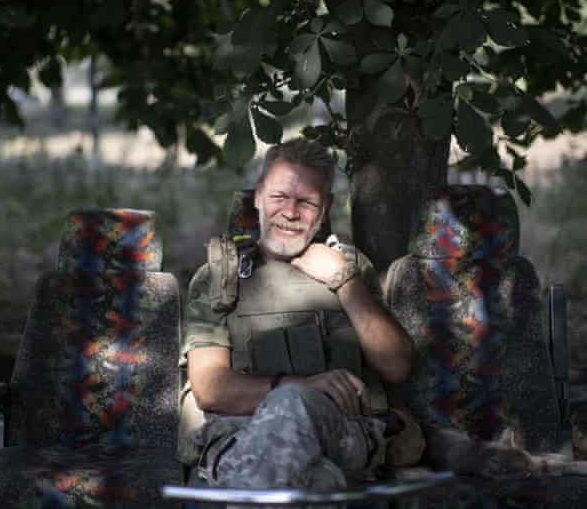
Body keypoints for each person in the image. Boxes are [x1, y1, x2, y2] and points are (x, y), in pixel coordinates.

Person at [177, 138, 419, 492]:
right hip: (242, 437)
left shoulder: (349, 267)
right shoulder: (219, 278)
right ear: (258, 195)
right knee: (314, 478)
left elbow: (397, 365)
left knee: (284, 429)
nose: (290, 213)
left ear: (326, 207)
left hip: (341, 433)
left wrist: (345, 282)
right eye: (279, 197)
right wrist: (300, 388)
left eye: (306, 202)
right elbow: (211, 389)